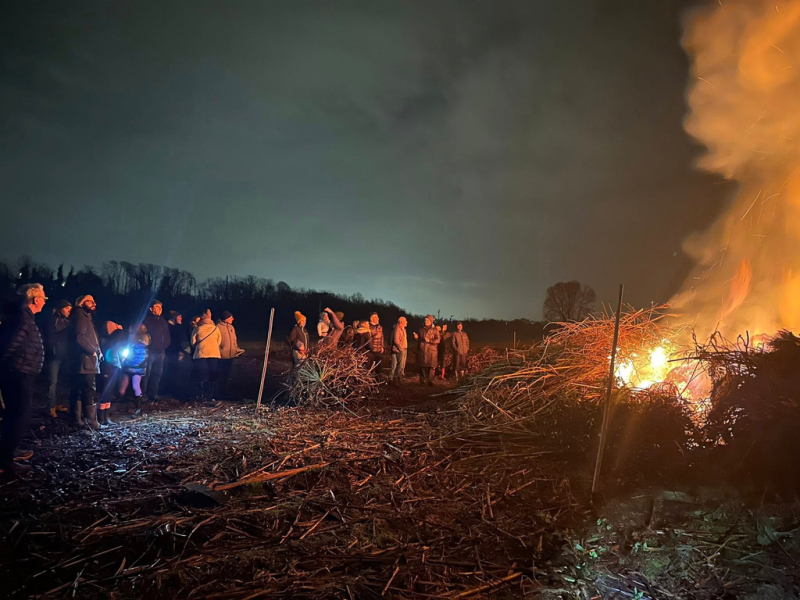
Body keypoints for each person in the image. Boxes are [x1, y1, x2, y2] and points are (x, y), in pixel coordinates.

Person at [0, 283, 46, 475]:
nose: (45, 301)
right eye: (44, 297)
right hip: (18, 374)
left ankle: (8, 451)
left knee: (14, 414)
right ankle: (5, 461)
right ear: (35, 300)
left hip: (19, 372)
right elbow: (7, 346)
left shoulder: (24, 318)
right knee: (19, 415)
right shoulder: (23, 320)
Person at [69, 295, 102, 430]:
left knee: (78, 389)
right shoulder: (81, 317)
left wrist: (98, 350)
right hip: (86, 360)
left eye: (94, 301)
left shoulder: (85, 317)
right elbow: (80, 337)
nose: (93, 303)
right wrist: (93, 351)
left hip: (84, 360)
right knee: (89, 389)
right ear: (81, 303)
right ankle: (91, 422)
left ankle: (77, 420)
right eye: (90, 301)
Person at [113, 325, 149, 416]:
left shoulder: (140, 344)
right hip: (129, 367)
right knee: (124, 386)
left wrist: (127, 361)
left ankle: (138, 407)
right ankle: (123, 404)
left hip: (136, 368)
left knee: (135, 386)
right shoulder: (131, 343)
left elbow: (140, 357)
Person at [44, 299, 72, 418]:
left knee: (60, 382)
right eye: (66, 309)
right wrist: (52, 352)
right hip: (54, 356)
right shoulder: (53, 321)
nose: (69, 312)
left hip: (63, 355)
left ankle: (56, 403)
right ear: (60, 309)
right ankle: (50, 407)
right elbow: (51, 338)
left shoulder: (65, 321)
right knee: (52, 382)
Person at [191, 309, 222, 400]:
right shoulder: (216, 328)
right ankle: (211, 394)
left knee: (201, 373)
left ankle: (200, 394)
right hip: (214, 353)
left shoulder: (197, 328)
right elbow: (219, 341)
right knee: (212, 373)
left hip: (201, 353)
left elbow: (193, 342)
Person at [142, 300, 170, 402]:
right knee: (146, 373)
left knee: (157, 373)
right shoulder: (147, 320)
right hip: (150, 351)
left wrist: (166, 344)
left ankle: (153, 394)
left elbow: (166, 334)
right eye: (157, 307)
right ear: (151, 309)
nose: (159, 309)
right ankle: (142, 395)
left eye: (160, 307)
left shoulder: (162, 321)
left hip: (161, 351)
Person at [217, 310, 243, 399]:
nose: (233, 319)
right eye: (231, 317)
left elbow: (234, 340)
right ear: (226, 318)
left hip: (230, 355)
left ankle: (224, 391)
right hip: (222, 356)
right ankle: (218, 392)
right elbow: (216, 341)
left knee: (226, 374)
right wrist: (220, 351)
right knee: (220, 374)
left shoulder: (231, 327)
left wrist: (236, 350)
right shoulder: (218, 327)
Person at [167, 311, 191, 398]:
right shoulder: (172, 327)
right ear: (175, 317)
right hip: (173, 351)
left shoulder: (173, 326)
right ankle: (171, 388)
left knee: (174, 369)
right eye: (179, 317)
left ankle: (171, 388)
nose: (181, 318)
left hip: (173, 350)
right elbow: (179, 338)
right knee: (173, 369)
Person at [413, 315, 440, 386]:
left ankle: (430, 381)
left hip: (431, 350)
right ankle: (423, 380)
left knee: (431, 366)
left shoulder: (435, 330)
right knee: (422, 366)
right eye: (425, 320)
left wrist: (430, 340)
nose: (426, 321)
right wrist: (417, 338)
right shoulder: (421, 329)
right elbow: (420, 339)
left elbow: (438, 340)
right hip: (422, 349)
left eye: (427, 320)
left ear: (431, 321)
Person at [389, 316, 408, 385]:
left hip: (402, 349)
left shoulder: (403, 329)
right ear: (401, 322)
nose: (407, 322)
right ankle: (395, 379)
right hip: (399, 350)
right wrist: (401, 348)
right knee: (398, 365)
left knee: (401, 365)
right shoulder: (397, 329)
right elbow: (396, 340)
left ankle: (398, 379)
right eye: (405, 321)